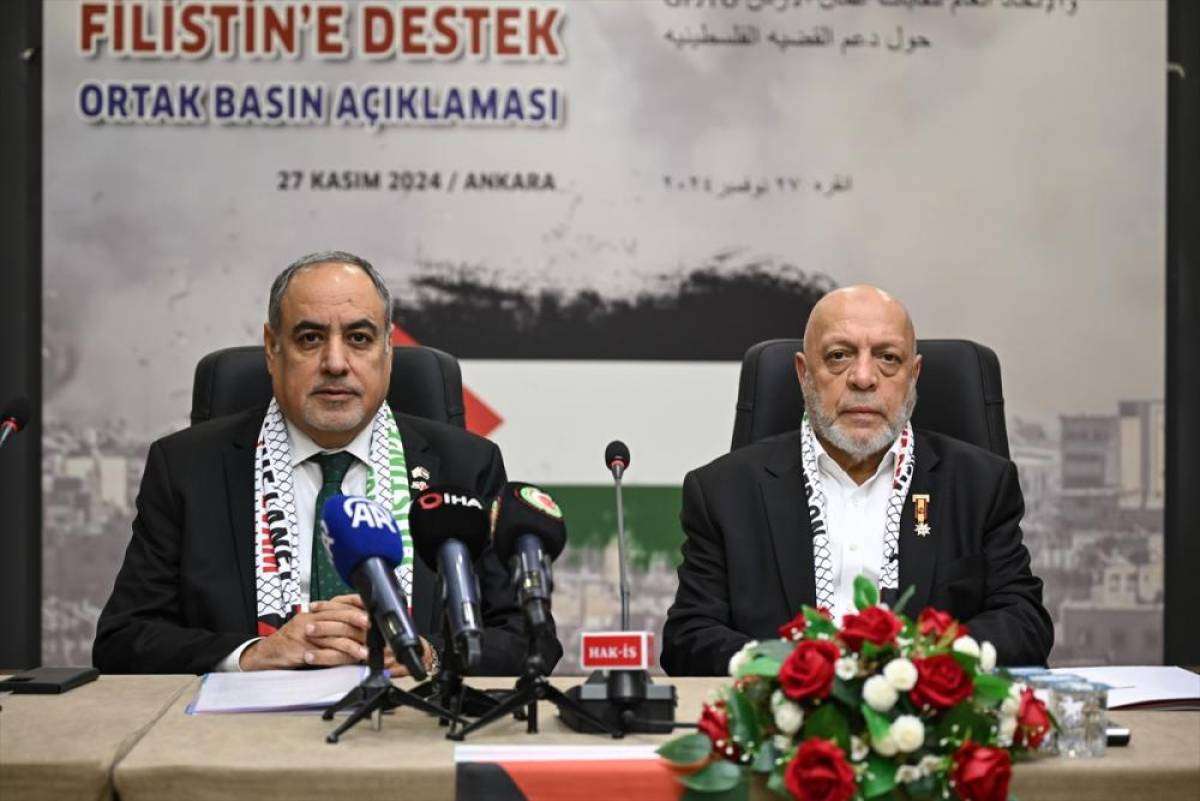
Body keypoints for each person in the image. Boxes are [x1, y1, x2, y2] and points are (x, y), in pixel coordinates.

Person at [94, 251, 562, 675]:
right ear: (272, 349)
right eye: (310, 338)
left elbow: (528, 639)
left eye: (359, 338)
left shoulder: (465, 465)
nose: (335, 362)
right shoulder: (186, 467)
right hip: (245, 731)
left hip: (410, 725)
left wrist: (430, 655)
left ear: (387, 350)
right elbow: (123, 640)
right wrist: (255, 654)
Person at [661, 285, 1052, 675]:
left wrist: (917, 666)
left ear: (913, 376)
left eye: (888, 358)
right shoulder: (724, 493)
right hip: (785, 707)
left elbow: (1023, 623)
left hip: (924, 707)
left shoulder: (980, 486)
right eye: (839, 356)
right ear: (803, 373)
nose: (863, 378)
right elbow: (689, 638)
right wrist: (792, 671)